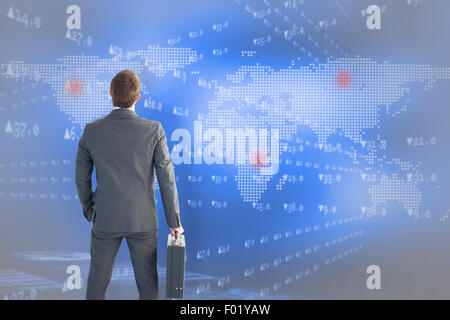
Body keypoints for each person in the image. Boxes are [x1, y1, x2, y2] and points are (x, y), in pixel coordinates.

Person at [75, 69, 183, 300]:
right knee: (148, 288)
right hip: (142, 220)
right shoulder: (154, 131)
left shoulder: (92, 130)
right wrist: (174, 222)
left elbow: (80, 176)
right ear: (138, 96)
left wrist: (90, 210)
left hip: (105, 218)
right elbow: (167, 178)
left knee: (96, 286)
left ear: (110, 93)